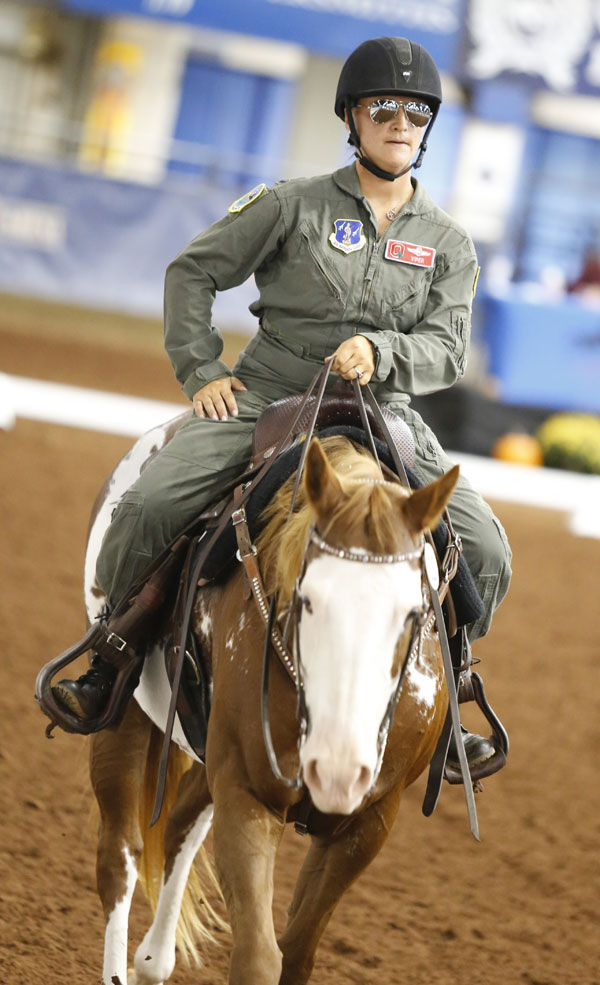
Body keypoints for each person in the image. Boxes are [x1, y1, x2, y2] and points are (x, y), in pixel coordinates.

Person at [53, 36, 511, 776]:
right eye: (385, 109)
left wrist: (384, 352)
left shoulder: (449, 243)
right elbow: (194, 272)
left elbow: (447, 349)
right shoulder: (290, 204)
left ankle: (452, 691)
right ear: (352, 117)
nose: (401, 123)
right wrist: (201, 367)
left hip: (382, 411)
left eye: (417, 113)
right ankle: (112, 657)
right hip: (271, 395)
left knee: (487, 549)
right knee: (151, 503)